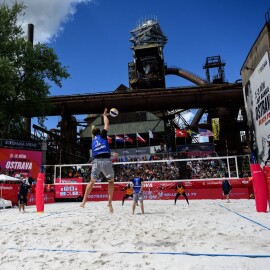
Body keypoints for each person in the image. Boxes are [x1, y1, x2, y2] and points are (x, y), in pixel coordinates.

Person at [80, 108, 116, 213]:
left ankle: (84, 201)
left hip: (95, 162)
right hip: (105, 161)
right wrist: (104, 115)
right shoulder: (102, 136)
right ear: (99, 133)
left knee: (91, 182)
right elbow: (107, 123)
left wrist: (111, 153)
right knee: (111, 182)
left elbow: (101, 149)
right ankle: (109, 202)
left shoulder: (93, 140)